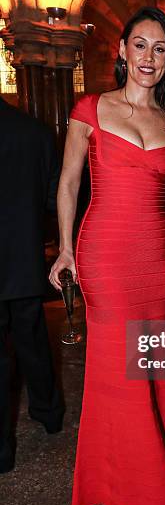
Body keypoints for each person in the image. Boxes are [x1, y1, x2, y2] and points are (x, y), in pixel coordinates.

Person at [49, 7, 165, 505]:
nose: (149, 58)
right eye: (140, 45)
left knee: (152, 366)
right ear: (121, 50)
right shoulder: (90, 109)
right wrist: (65, 250)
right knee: (118, 368)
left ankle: (154, 468)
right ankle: (139, 488)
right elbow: (68, 183)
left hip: (156, 258)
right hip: (105, 255)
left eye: (159, 49)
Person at [0, 96, 64, 474]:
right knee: (34, 340)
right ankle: (49, 413)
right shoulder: (36, 132)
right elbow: (54, 197)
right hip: (24, 261)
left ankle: (2, 452)